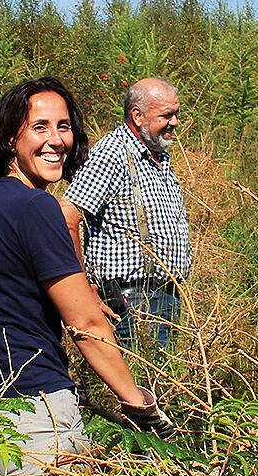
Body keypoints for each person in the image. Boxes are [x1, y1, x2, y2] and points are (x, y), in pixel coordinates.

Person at [0, 76, 175, 476]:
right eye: (40, 127)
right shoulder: (37, 207)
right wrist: (137, 403)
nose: (56, 140)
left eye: (64, 126)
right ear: (11, 139)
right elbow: (85, 322)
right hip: (32, 414)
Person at [64, 77, 189, 349]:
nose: (175, 122)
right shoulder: (113, 153)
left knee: (159, 385)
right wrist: (82, 290)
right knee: (139, 386)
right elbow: (67, 217)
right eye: (166, 115)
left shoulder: (157, 154)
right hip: (130, 303)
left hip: (164, 297)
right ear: (137, 116)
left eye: (176, 113)